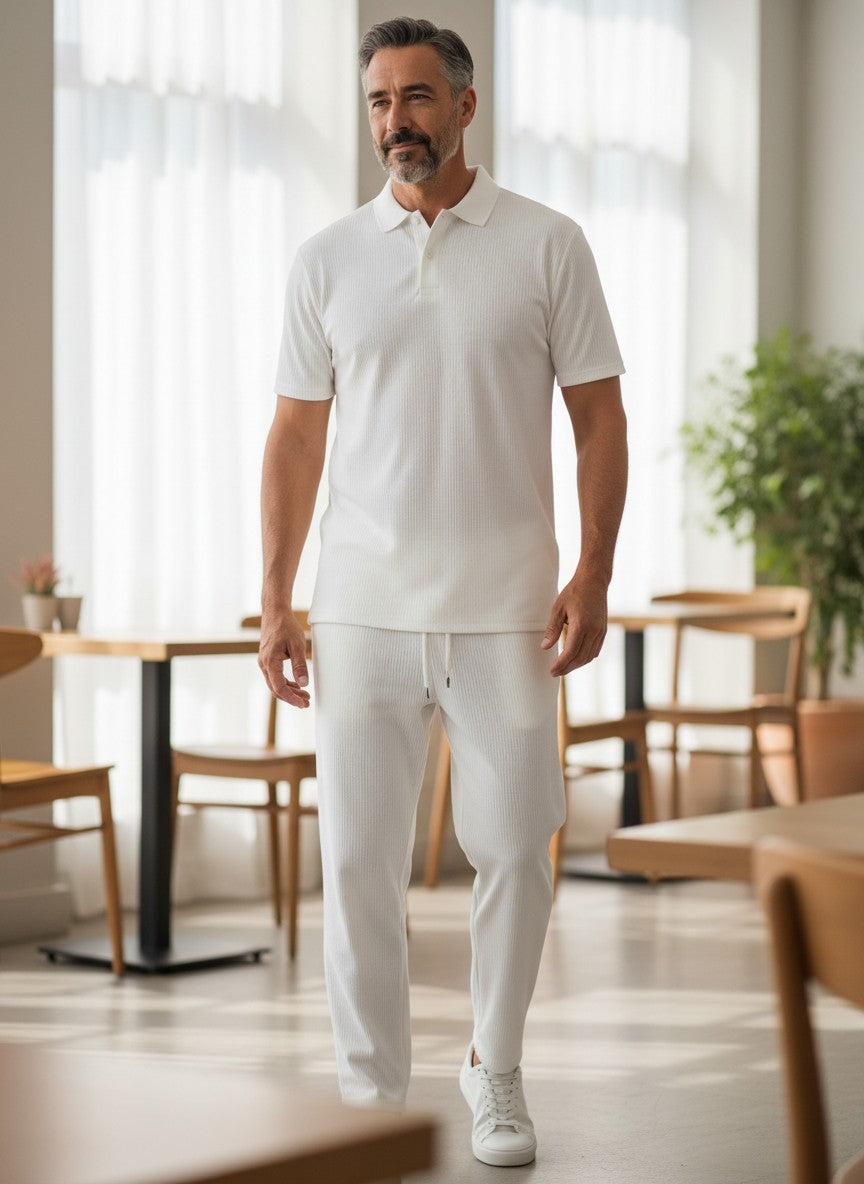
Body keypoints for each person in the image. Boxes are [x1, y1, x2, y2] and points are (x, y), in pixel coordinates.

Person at [259, 15, 627, 1169]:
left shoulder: (547, 244)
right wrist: (276, 595)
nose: (395, 122)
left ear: (466, 106)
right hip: (360, 604)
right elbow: (293, 441)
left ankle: (494, 1063)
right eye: (378, 101)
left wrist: (595, 570)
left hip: (509, 607)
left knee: (518, 842)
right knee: (358, 859)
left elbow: (600, 418)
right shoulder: (325, 259)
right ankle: (371, 1100)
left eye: (416, 98)